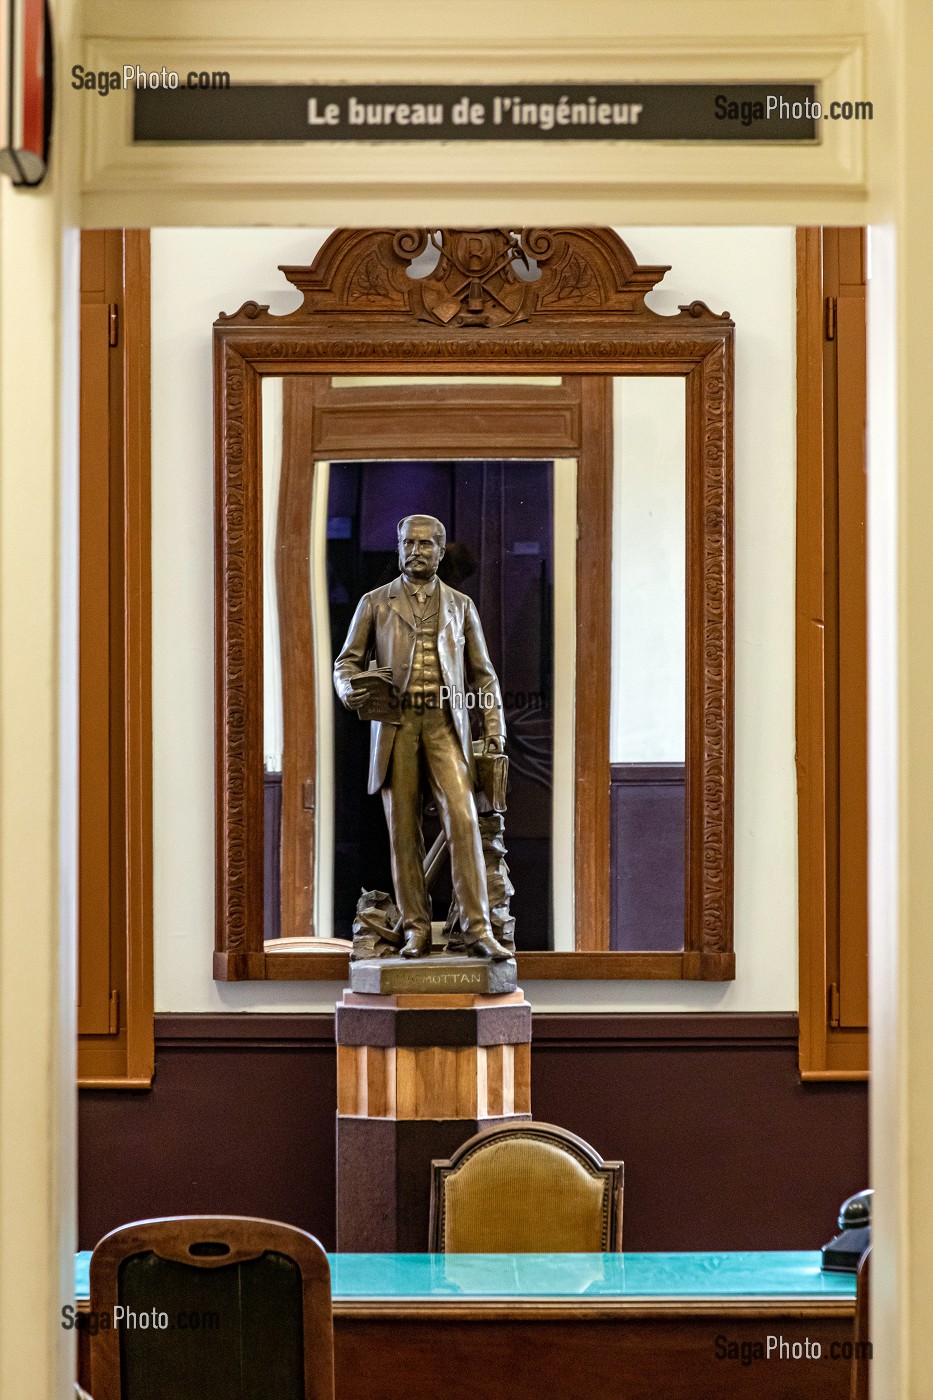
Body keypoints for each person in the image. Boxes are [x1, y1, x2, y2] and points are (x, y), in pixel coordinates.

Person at [334, 514, 510, 960]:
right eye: (408, 543)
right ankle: (415, 928)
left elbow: (484, 678)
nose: (416, 551)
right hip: (396, 727)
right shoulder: (375, 603)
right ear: (398, 548)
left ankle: (477, 928)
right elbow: (345, 664)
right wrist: (352, 689)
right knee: (403, 833)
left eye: (426, 544)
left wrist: (493, 731)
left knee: (465, 820)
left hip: (444, 726)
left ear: (440, 549)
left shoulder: (461, 606)